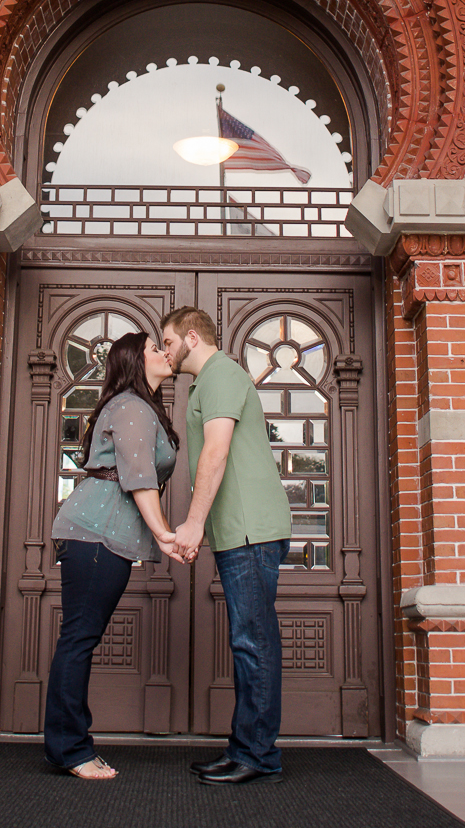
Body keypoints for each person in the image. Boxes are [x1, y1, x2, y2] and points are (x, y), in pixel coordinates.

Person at [160, 305, 291, 786]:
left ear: (191, 338)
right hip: (243, 530)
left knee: (252, 642)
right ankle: (247, 748)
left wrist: (194, 523)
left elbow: (216, 450)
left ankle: (257, 756)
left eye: (169, 343)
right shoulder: (211, 380)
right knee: (251, 642)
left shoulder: (219, 374)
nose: (166, 353)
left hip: (251, 530)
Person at [43, 330, 179, 779]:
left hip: (104, 535)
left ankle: (71, 745)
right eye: (155, 348)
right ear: (135, 361)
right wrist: (164, 534)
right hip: (95, 534)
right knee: (80, 637)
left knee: (81, 636)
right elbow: (139, 477)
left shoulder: (140, 407)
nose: (165, 352)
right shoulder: (133, 407)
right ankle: (71, 750)